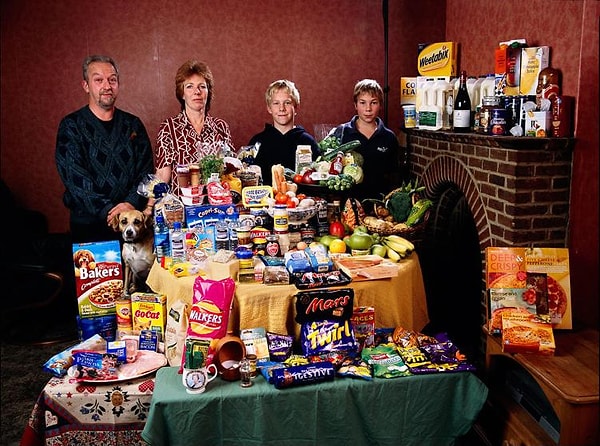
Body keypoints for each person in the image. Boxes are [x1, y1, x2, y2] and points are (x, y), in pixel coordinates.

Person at [55, 55, 154, 243]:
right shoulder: (72, 126)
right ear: (86, 86)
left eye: (112, 80)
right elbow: (75, 177)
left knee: (135, 273)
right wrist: (109, 211)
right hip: (89, 226)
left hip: (131, 224)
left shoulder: (133, 124)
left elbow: (146, 172)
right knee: (95, 270)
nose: (107, 86)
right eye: (98, 80)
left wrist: (130, 203)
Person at [154, 60, 234, 198]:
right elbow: (162, 175)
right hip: (181, 208)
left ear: (208, 92)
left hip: (216, 205)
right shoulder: (169, 128)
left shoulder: (221, 127)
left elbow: (230, 171)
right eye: (189, 86)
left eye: (202, 86)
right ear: (182, 94)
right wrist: (150, 207)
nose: (197, 92)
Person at [329, 79, 400, 200]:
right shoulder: (342, 132)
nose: (368, 109)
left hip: (380, 204)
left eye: (373, 103)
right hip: (347, 203)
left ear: (380, 105)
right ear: (355, 105)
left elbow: (394, 177)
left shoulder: (389, 137)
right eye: (363, 103)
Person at [248, 79, 319, 180]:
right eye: (276, 103)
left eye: (287, 103)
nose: (282, 108)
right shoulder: (257, 142)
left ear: (296, 107)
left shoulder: (307, 142)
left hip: (301, 195)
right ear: (269, 108)